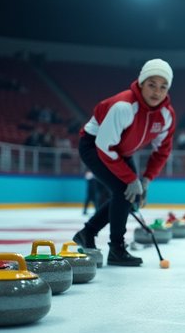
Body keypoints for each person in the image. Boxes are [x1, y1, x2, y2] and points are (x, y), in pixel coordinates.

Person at [72, 58, 177, 266]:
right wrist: (130, 179)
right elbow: (104, 146)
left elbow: (162, 151)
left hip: (121, 151)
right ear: (140, 83)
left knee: (129, 194)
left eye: (163, 87)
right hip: (95, 146)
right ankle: (116, 249)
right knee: (123, 191)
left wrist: (146, 179)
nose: (157, 92)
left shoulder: (166, 115)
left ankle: (88, 232)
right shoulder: (124, 107)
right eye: (152, 85)